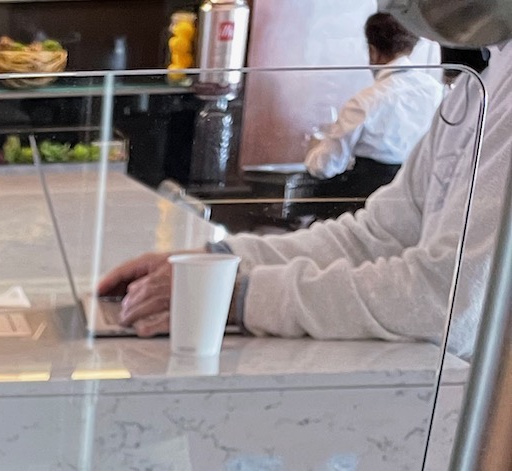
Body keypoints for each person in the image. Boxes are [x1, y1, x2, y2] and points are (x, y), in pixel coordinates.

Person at [99, 44, 512, 357]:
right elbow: (373, 237)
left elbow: (451, 302)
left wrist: (237, 295)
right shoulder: (476, 85)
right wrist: (215, 261)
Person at [299, 12, 440, 204]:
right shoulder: (436, 91)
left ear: (373, 51)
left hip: (368, 200)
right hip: (419, 198)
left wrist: (315, 152)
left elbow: (326, 166)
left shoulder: (364, 102)